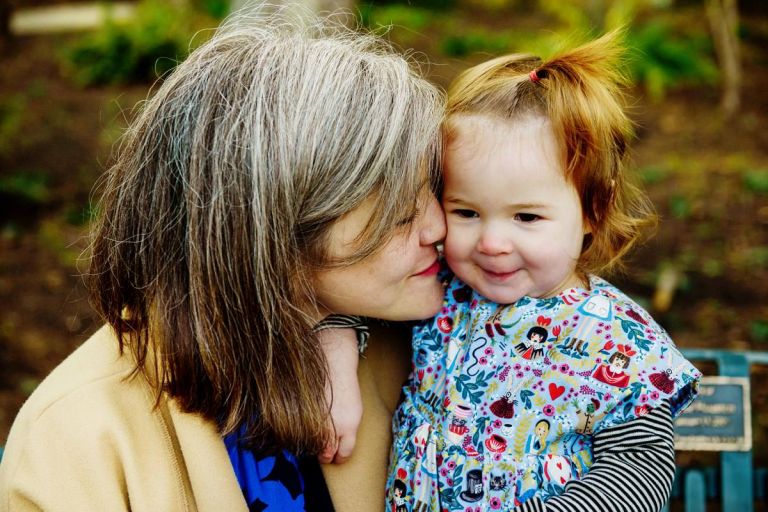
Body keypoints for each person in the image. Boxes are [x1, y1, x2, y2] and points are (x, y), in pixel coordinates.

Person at [0, 9, 446, 512]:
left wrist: (333, 329)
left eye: (433, 190)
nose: (439, 228)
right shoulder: (78, 445)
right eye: (399, 213)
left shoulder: (428, 340)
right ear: (273, 232)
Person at [385, 31, 701, 512]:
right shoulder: (436, 291)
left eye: (526, 217)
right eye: (466, 212)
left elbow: (639, 472)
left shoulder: (617, 338)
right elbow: (353, 304)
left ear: (593, 209)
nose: (491, 243)